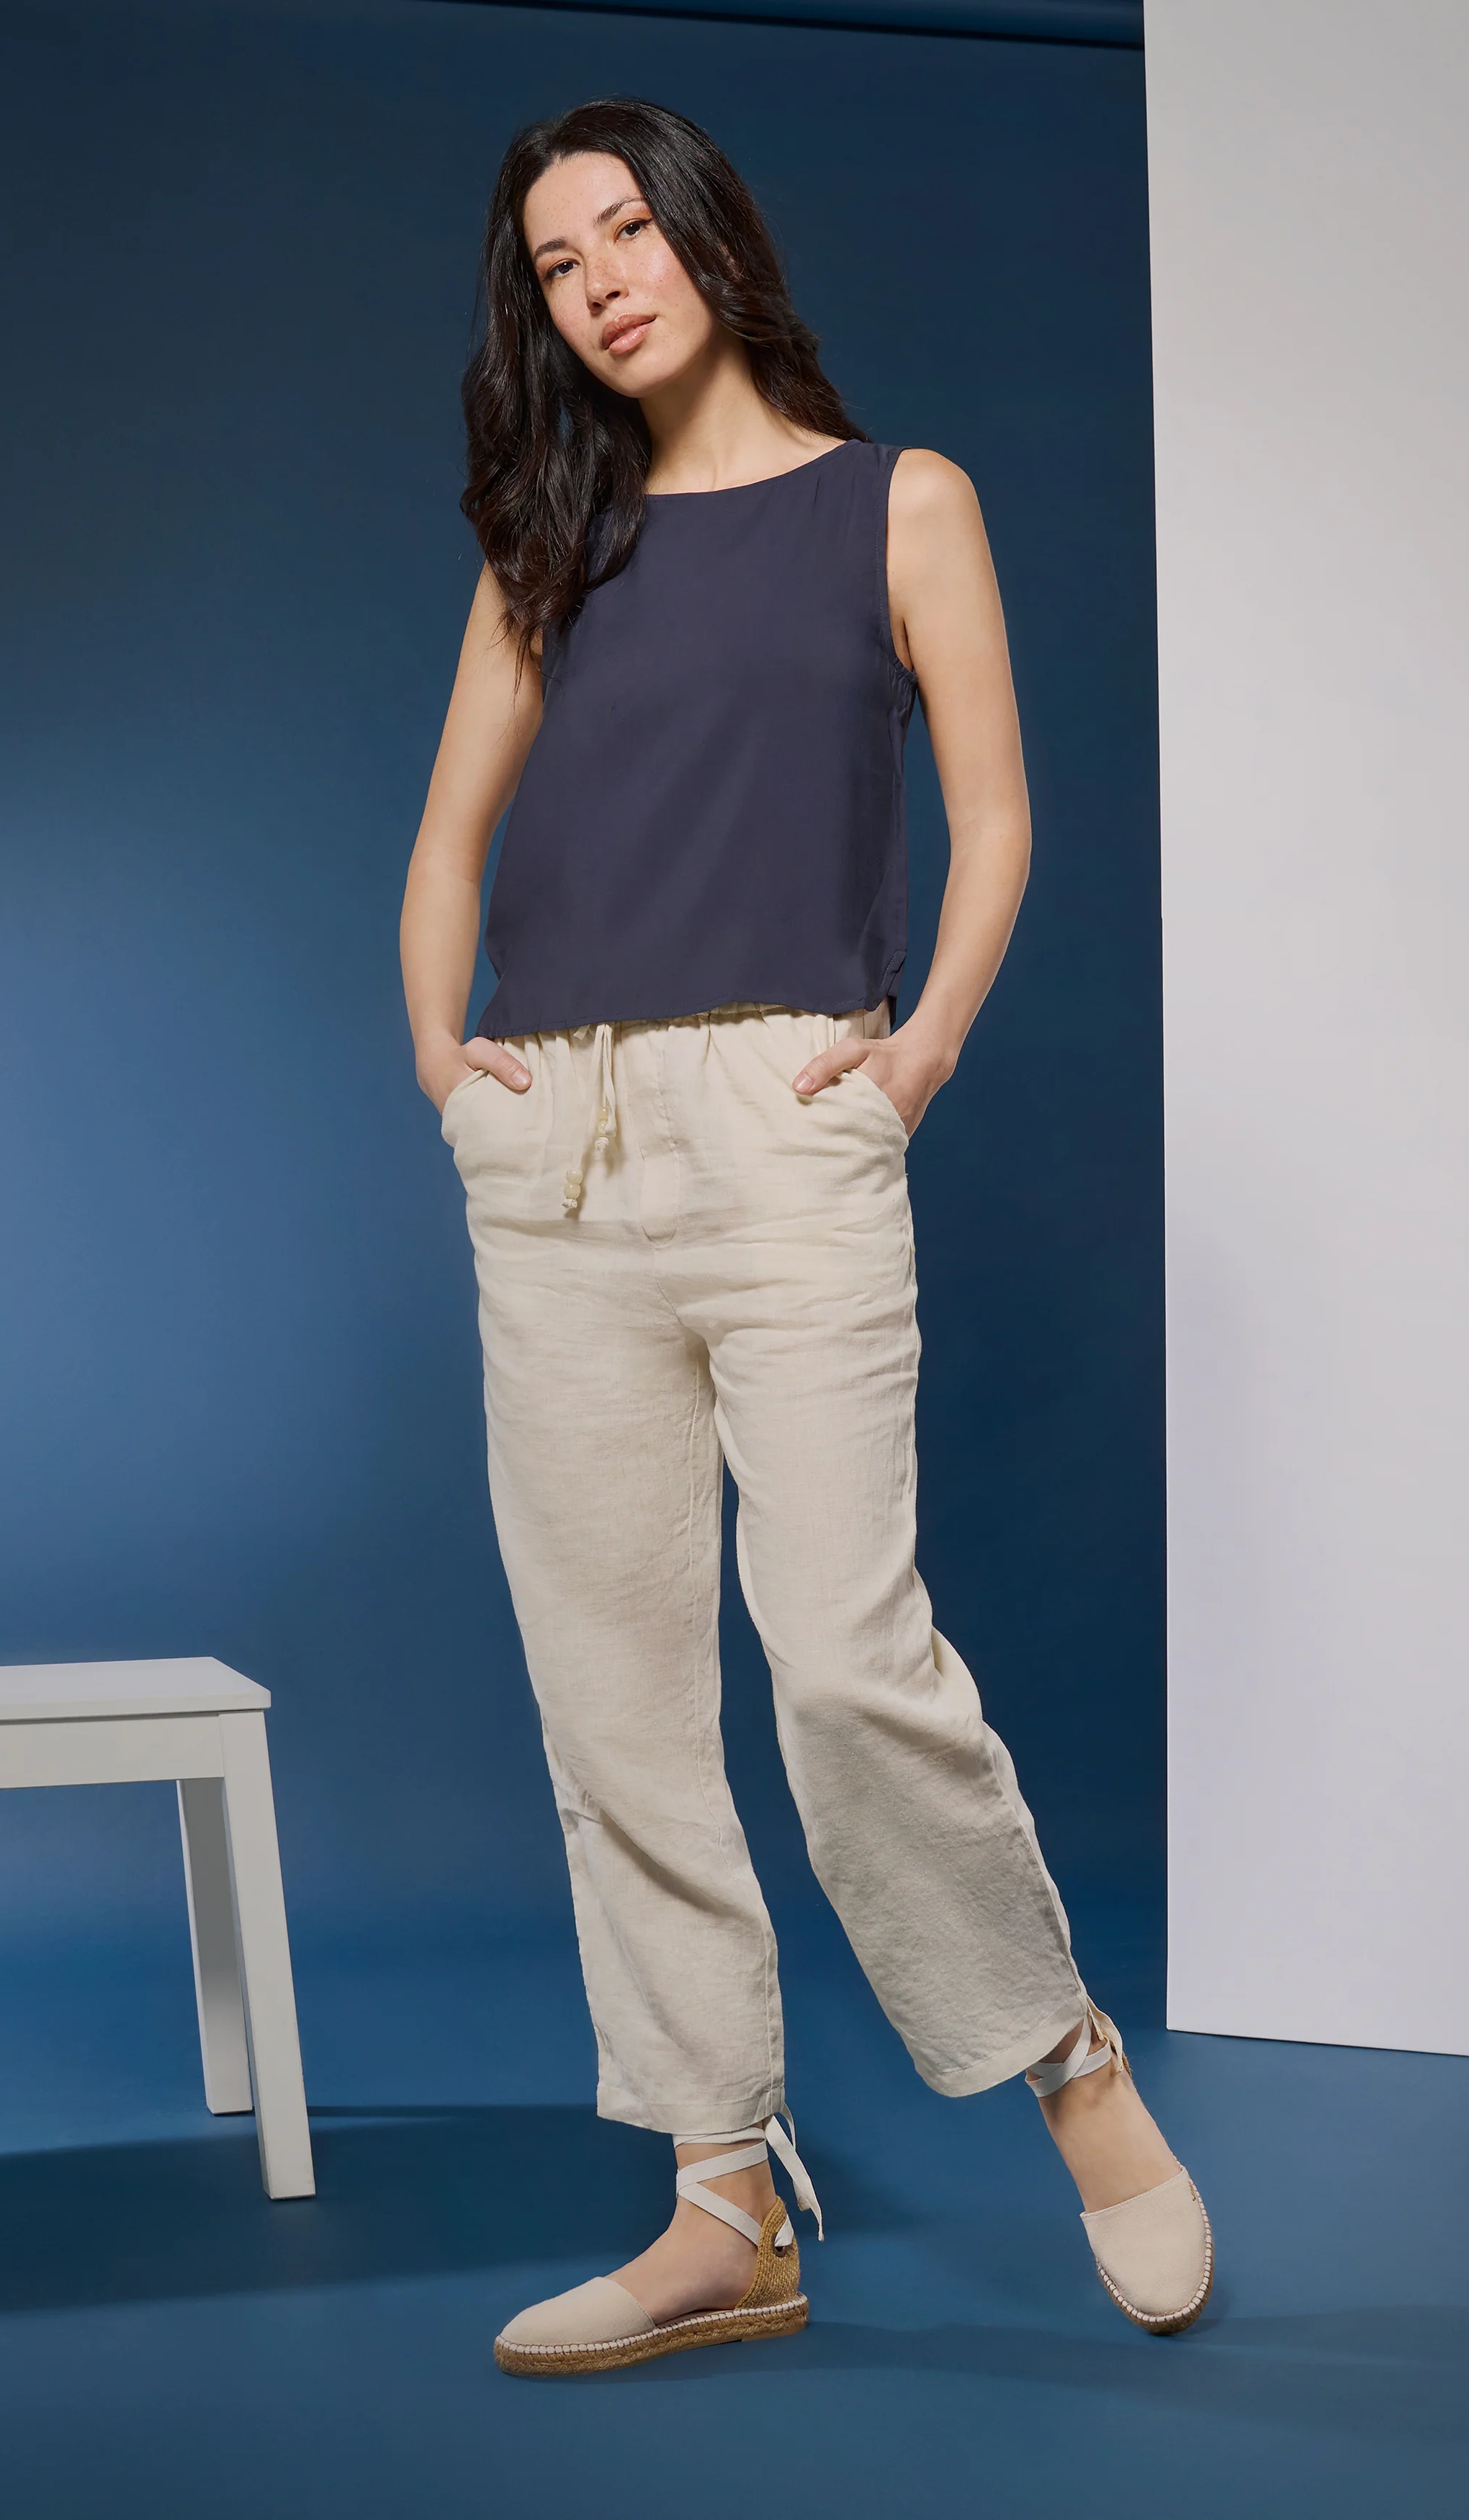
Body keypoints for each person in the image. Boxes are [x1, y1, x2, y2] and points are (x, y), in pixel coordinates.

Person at [400, 96, 1210, 2376]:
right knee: (613, 1697)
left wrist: (921, 1046)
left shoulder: (899, 500)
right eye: (555, 264)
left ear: (707, 233)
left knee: (844, 1655)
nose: (598, 283)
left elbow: (996, 813)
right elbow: (448, 841)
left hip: (786, 1123)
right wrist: (450, 1070)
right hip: (558, 1146)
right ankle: (720, 2200)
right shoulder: (547, 546)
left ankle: (1072, 2073)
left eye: (624, 231)